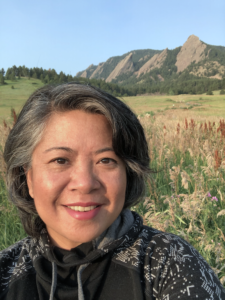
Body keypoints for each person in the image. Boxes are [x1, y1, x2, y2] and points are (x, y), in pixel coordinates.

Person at [0, 83, 224, 300]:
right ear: (27, 177)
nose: (85, 183)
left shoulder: (171, 264)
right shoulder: (5, 273)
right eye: (60, 160)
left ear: (129, 171)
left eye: (105, 160)